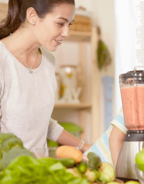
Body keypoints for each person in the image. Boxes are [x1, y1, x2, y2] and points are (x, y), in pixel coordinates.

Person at [0, 0, 91, 152]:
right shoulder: (3, 59)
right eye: (60, 23)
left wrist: (85, 147)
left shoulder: (48, 61)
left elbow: (41, 122)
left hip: (41, 170)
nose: (66, 33)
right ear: (32, 16)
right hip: (9, 173)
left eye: (69, 24)